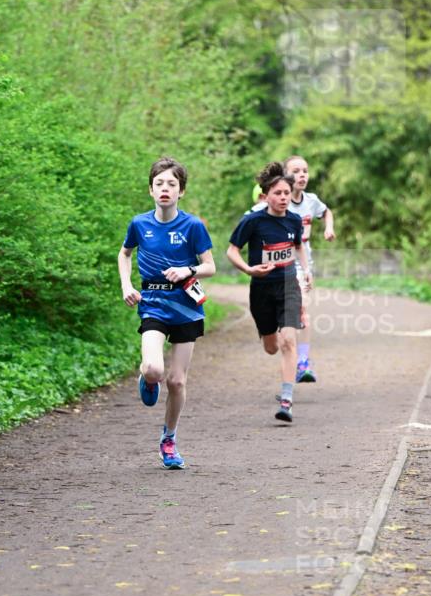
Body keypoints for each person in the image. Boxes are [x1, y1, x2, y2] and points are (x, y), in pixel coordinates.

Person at [118, 157, 215, 469]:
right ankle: (146, 378)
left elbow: (210, 266)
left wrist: (188, 268)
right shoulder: (139, 224)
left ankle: (169, 439)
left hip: (186, 307)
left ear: (181, 191)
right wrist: (126, 285)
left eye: (171, 184)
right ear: (150, 190)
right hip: (153, 303)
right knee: (155, 371)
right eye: (159, 183)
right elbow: (124, 254)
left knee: (176, 382)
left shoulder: (193, 226)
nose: (165, 189)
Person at [227, 161, 310, 423]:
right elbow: (232, 251)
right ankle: (266, 331)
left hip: (288, 285)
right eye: (278, 193)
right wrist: (249, 270)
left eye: (287, 193)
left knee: (289, 341)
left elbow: (298, 247)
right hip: (261, 288)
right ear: (266, 196)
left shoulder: (295, 221)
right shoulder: (252, 221)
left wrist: (305, 272)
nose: (284, 198)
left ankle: (286, 400)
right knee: (271, 347)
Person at [284, 155, 335, 383]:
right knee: (289, 316)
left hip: (304, 264)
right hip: (281, 264)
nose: (302, 175)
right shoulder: (280, 201)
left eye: (305, 170)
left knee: (303, 310)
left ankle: (303, 361)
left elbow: (326, 212)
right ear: (286, 175)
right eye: (296, 171)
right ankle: (292, 355)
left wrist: (328, 229)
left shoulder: (311, 200)